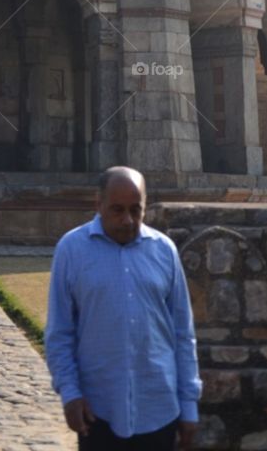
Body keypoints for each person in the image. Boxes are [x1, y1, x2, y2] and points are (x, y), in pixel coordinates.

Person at [45, 166, 201, 450]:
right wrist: (69, 393)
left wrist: (189, 404)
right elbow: (60, 332)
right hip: (97, 408)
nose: (127, 220)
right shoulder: (72, 250)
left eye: (136, 210)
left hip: (158, 408)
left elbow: (182, 333)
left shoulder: (164, 250)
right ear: (98, 204)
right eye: (117, 210)